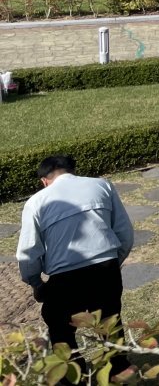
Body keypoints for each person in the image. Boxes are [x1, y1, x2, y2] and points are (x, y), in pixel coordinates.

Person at [17, 155, 134, 366]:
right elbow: (124, 233)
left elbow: (28, 252)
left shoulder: (36, 202)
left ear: (44, 181)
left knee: (60, 328)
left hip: (65, 277)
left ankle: (73, 376)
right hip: (105, 267)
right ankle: (120, 373)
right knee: (110, 321)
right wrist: (113, 263)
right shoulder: (101, 185)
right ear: (72, 171)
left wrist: (35, 282)